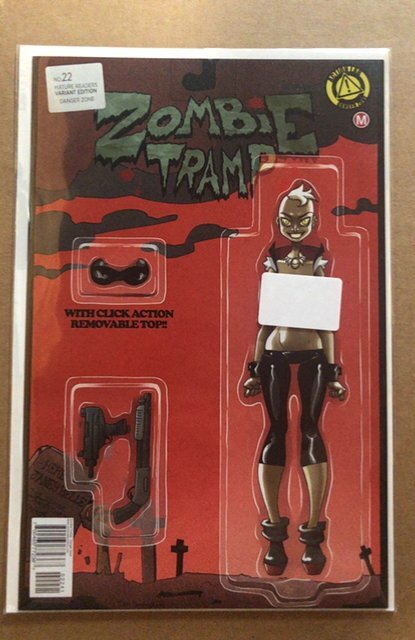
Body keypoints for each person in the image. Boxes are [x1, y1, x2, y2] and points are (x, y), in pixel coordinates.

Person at [244, 180, 346, 576]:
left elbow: (326, 325)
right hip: (275, 355)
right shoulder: (273, 257)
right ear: (278, 220)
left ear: (314, 221)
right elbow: (265, 324)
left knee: (310, 430)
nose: (294, 226)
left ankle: (314, 530)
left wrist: (333, 373)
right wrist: (255, 369)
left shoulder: (319, 259)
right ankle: (273, 532)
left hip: (312, 356)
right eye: (287, 220)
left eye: (302, 220)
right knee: (276, 431)